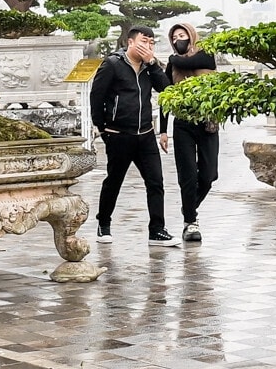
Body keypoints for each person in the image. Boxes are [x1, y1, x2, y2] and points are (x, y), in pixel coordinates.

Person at [88, 25, 177, 246]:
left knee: (156, 182)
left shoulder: (150, 67)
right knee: (114, 181)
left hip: (146, 134)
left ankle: (157, 230)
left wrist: (153, 63)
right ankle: (104, 223)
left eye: (151, 43)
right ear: (130, 42)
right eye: (143, 42)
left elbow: (167, 91)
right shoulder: (113, 64)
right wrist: (102, 128)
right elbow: (96, 97)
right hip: (119, 134)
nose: (147, 46)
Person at [158, 21, 218, 243]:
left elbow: (194, 60)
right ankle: (191, 222)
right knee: (188, 175)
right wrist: (163, 131)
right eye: (174, 38)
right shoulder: (172, 67)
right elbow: (166, 97)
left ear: (192, 35)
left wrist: (174, 58)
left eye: (182, 35)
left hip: (207, 123)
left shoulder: (206, 55)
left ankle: (187, 209)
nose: (178, 40)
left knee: (209, 175)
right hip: (182, 124)